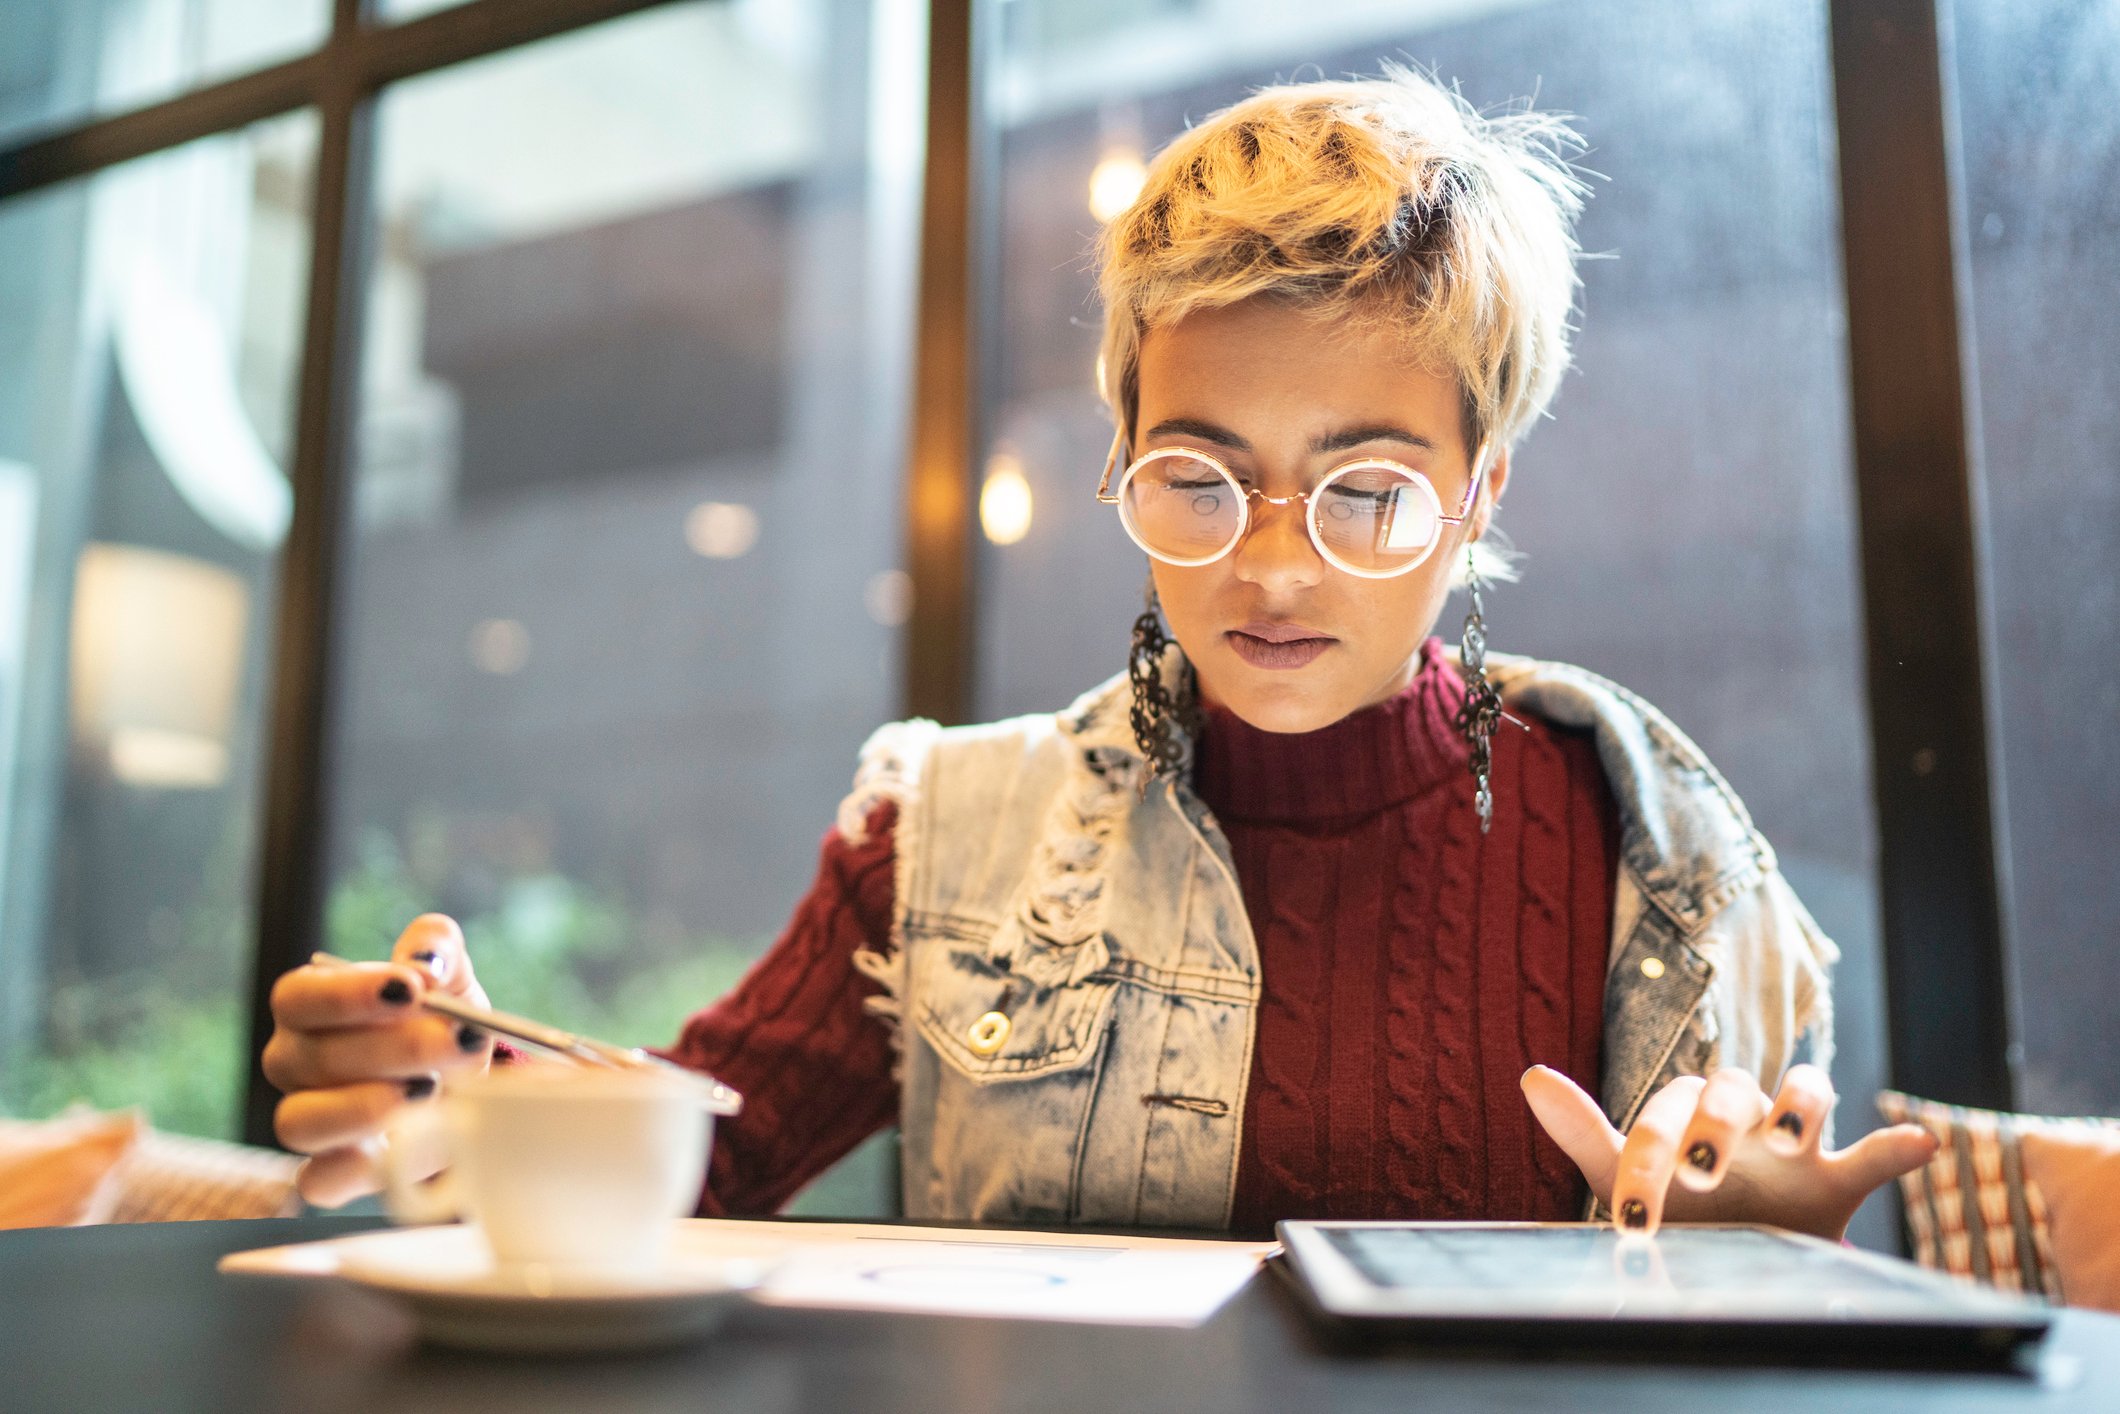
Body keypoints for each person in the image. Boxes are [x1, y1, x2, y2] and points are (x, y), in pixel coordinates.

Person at [263, 66, 1936, 1240]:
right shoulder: (943, 835)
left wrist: (1765, 1242)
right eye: (1201, 479)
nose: (1274, 564)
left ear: (1482, 484)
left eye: (1367, 492)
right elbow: (701, 1156)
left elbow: (1757, 1243)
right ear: (1120, 449)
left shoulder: (1662, 852)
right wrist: (467, 1090)